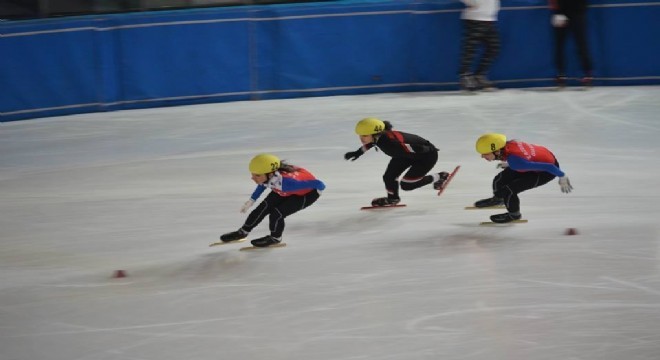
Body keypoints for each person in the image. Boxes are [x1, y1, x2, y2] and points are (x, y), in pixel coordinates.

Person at [219, 153, 325, 247]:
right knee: (262, 208)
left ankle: (275, 238)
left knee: (276, 214)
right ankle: (243, 232)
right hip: (285, 189)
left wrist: (317, 189)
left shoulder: (287, 183)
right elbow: (262, 185)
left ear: (270, 174)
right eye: (252, 174)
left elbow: (319, 184)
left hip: (307, 193)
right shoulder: (270, 176)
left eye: (257, 175)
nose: (253, 178)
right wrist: (251, 200)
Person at [344, 117, 449, 207]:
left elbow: (417, 148)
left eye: (364, 136)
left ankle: (440, 176)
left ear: (375, 134)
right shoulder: (379, 137)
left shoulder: (391, 143)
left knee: (407, 185)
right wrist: (358, 153)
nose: (361, 138)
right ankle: (393, 198)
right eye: (361, 135)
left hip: (425, 157)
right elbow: (371, 143)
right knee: (389, 177)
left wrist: (430, 149)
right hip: (404, 155)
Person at [473, 133, 573, 223]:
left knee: (509, 191)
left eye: (485, 153)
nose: (482, 156)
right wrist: (512, 163)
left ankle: (514, 215)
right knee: (499, 179)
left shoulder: (516, 162)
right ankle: (498, 200)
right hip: (540, 158)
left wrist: (562, 176)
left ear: (497, 151)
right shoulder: (509, 145)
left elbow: (549, 167)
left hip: (545, 172)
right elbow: (522, 155)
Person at [458, 0, 501, 92]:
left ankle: (479, 76)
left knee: (494, 47)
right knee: (471, 47)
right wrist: (473, 3)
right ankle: (465, 76)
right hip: (475, 18)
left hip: (489, 18)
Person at [549, 0, 593, 87]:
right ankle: (560, 75)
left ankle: (588, 75)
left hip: (578, 11)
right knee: (559, 44)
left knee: (581, 43)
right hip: (560, 12)